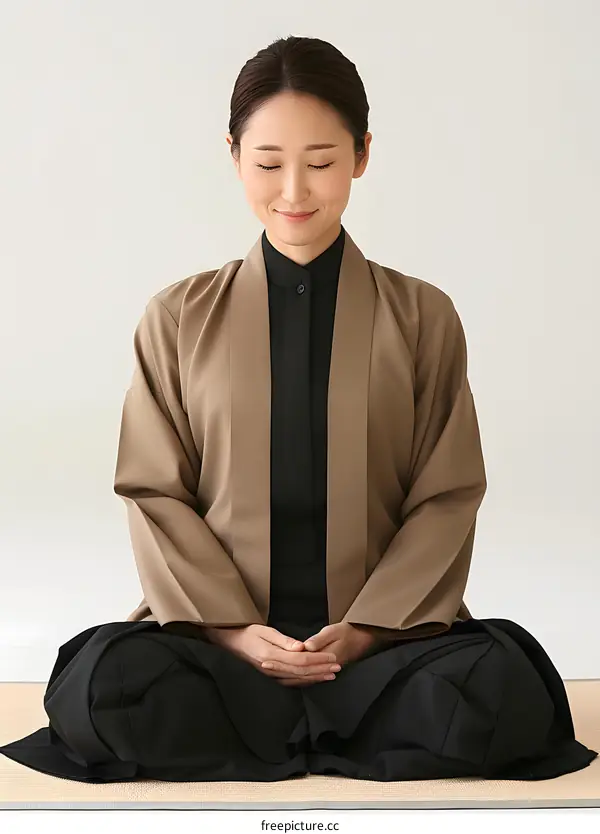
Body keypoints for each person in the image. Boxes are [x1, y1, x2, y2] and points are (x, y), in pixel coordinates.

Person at [0, 35, 596, 784]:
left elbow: (447, 494)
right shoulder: (178, 316)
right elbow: (154, 490)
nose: (294, 191)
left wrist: (362, 636)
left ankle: (295, 722)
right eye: (268, 164)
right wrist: (237, 635)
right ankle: (319, 725)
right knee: (101, 685)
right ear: (233, 154)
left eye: (320, 163)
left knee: (502, 684)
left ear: (362, 154)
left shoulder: (422, 315)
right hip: (220, 653)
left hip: (385, 652)